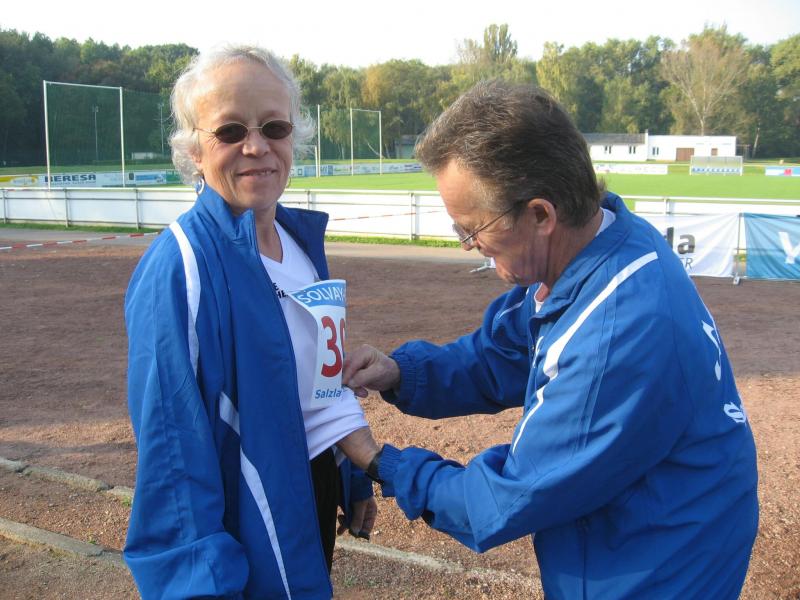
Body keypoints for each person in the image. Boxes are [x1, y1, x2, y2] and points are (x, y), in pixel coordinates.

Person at [344, 80, 759, 599]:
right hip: (646, 534)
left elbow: (503, 500)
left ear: (541, 214)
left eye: (472, 228)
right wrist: (401, 373)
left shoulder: (617, 331)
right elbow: (500, 355)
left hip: (655, 573)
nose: (470, 245)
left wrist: (378, 460)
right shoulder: (593, 249)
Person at [124, 45, 379, 599]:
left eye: (274, 127)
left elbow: (318, 381)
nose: (257, 146)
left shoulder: (300, 243)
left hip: (308, 489)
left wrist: (351, 473)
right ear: (194, 150)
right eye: (230, 130)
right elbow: (173, 462)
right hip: (240, 518)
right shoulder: (180, 269)